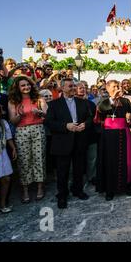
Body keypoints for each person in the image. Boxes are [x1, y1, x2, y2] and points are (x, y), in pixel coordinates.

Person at [45, 78, 92, 209]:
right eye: (70, 86)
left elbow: (90, 118)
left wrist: (85, 124)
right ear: (62, 88)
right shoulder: (54, 104)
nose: (73, 88)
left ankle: (78, 190)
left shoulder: (82, 102)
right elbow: (49, 122)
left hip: (79, 140)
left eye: (74, 86)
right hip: (62, 141)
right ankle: (62, 195)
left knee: (79, 169)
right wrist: (66, 126)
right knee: (62, 171)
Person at [8, 76, 47, 203]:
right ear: (18, 88)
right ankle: (25, 190)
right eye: (23, 85)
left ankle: (40, 188)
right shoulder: (13, 101)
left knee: (39, 158)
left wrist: (40, 113)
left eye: (28, 84)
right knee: (24, 160)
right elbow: (13, 121)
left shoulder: (38, 98)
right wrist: (19, 114)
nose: (26, 87)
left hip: (38, 129)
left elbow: (47, 114)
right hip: (21, 131)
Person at [95, 80, 131, 200]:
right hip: (109, 136)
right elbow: (101, 110)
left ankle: (126, 186)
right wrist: (112, 98)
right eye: (114, 86)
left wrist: (130, 118)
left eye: (118, 86)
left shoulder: (125, 101)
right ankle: (109, 189)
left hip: (124, 133)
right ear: (107, 89)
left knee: (126, 160)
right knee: (110, 161)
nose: (117, 88)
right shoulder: (104, 100)